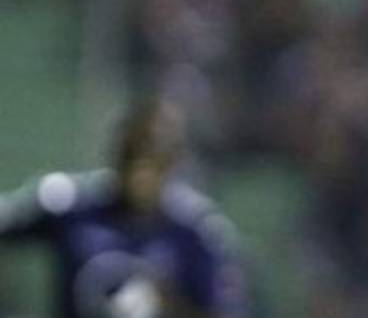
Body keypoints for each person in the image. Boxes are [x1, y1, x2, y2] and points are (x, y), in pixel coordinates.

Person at [0, 98, 246, 318]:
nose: (140, 173)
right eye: (131, 157)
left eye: (153, 162)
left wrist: (171, 305)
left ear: (171, 165)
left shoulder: (196, 232)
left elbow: (224, 310)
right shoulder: (70, 205)